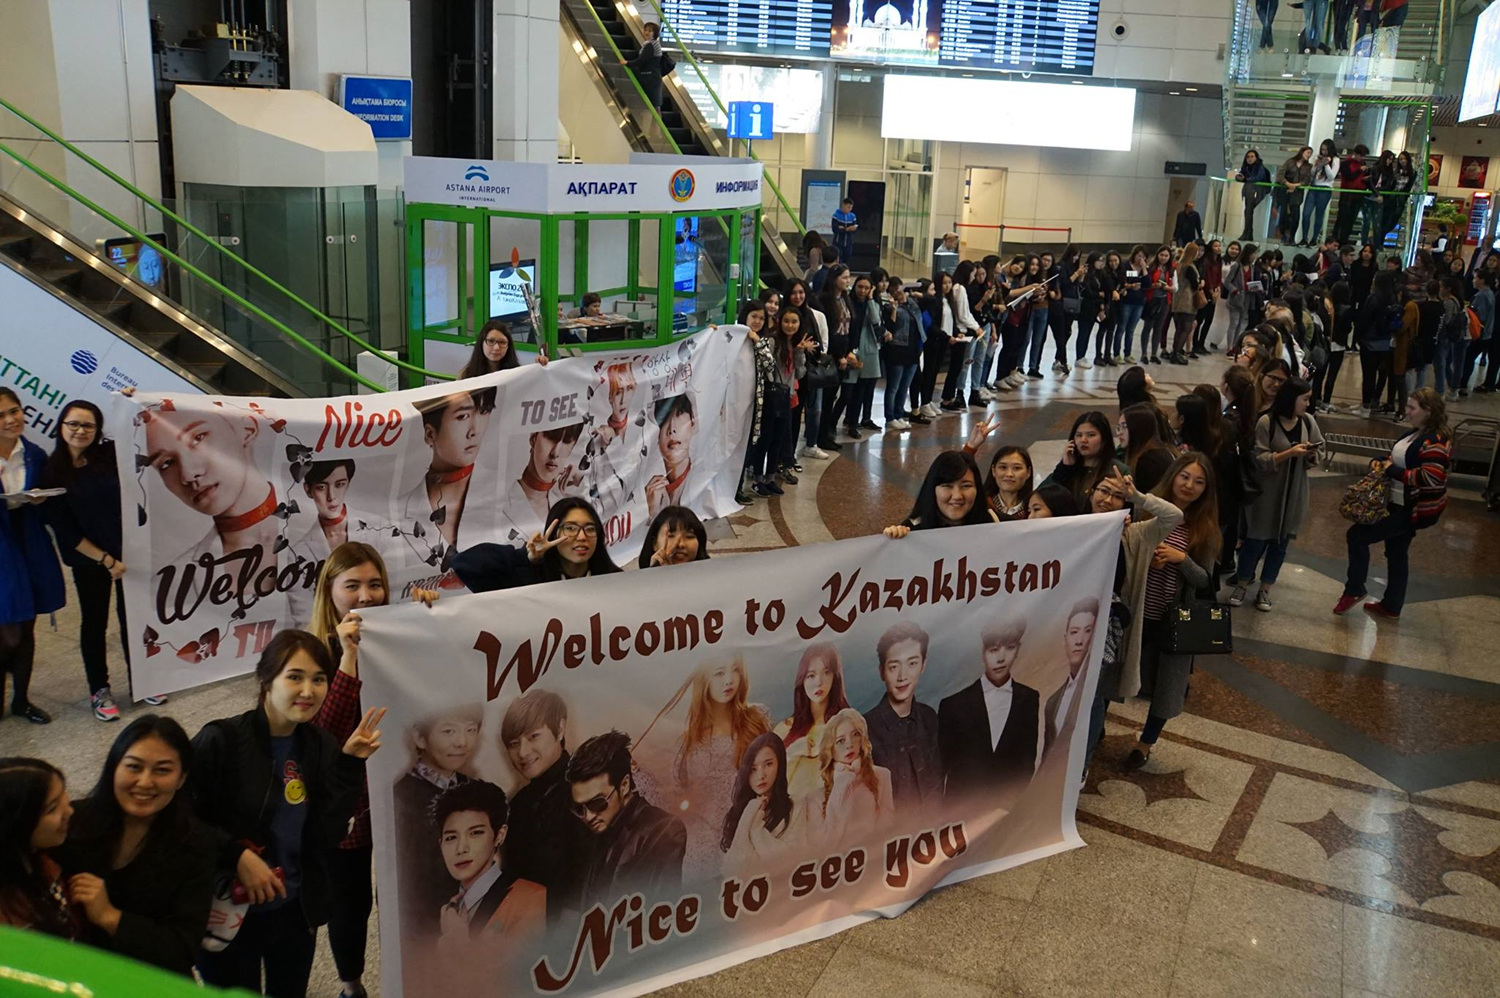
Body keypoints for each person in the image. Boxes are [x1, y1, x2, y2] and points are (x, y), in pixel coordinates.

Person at [191, 630, 384, 998]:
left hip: (294, 911)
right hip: (229, 912)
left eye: (318, 679)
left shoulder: (320, 746)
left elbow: (326, 835)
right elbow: (180, 819)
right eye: (294, 677)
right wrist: (237, 854)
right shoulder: (221, 741)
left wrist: (348, 765)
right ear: (266, 680)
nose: (308, 691)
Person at [306, 542, 418, 998]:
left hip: (395, 802)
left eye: (375, 585)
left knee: (400, 899)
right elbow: (322, 739)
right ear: (329, 593)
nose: (366, 596)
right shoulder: (312, 656)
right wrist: (348, 660)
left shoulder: (399, 640)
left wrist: (430, 618)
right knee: (348, 905)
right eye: (352, 585)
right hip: (343, 812)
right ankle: (351, 985)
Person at [57, 716, 215, 976]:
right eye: (133, 767)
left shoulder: (195, 844)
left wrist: (110, 917)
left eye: (162, 770)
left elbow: (182, 950)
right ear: (113, 768)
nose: (144, 782)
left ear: (182, 778)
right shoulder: (72, 821)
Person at [41, 400, 143, 721]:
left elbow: (139, 428)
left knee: (134, 620)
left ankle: (142, 680)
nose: (80, 431)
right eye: (73, 424)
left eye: (88, 426)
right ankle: (99, 690)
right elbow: (65, 531)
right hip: (90, 562)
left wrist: (130, 400)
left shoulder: (106, 455)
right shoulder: (51, 472)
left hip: (128, 555)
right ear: (61, 426)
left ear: (97, 430)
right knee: (95, 624)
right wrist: (106, 560)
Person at [1119, 454, 1220, 767]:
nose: (1189, 486)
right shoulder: (1145, 509)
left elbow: (1205, 579)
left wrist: (1181, 559)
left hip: (1173, 619)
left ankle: (1146, 743)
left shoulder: (1205, 529)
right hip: (1135, 609)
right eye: (1185, 477)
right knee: (1117, 672)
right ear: (1174, 476)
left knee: (1167, 686)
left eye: (1199, 481)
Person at [643, 659, 769, 882]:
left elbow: (776, 777)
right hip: (701, 862)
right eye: (719, 673)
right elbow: (674, 805)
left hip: (750, 853)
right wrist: (638, 775)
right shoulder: (688, 745)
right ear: (705, 680)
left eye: (735, 671)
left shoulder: (757, 719)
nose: (729, 679)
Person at [1335, 388, 1452, 620]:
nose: (1406, 412)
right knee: (1397, 553)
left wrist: (1392, 470)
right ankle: (1392, 605)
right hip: (1398, 503)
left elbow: (1430, 477)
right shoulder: (1416, 434)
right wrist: (1383, 463)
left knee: (1357, 536)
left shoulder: (1436, 441)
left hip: (1409, 509)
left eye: (1412, 408)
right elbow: (1397, 459)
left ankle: (1355, 588)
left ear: (1428, 412)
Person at [1230, 378, 1323, 612]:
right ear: (1291, 399)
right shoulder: (1266, 423)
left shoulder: (1307, 422)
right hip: (1266, 496)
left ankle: (1265, 589)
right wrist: (1288, 453)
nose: (1307, 404)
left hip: (1293, 494)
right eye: (1304, 399)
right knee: (1255, 541)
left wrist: (1311, 455)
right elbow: (1259, 459)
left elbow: (1319, 450)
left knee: (1280, 545)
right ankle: (1242, 584)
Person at [0, 387, 64, 725]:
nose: (12, 419)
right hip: (1, 547)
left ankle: (22, 700)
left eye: (15, 410)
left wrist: (41, 501)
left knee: (26, 625)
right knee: (7, 625)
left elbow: (49, 507)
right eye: (1, 415)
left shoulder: (35, 454)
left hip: (29, 541)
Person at [430, 780, 546, 966]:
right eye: (451, 837)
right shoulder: (448, 907)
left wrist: (460, 946)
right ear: (440, 843)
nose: (461, 849)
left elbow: (523, 978)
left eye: (475, 833)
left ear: (499, 835)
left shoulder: (530, 898)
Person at [393, 704, 483, 935]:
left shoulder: (475, 790)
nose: (462, 742)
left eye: (471, 730)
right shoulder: (403, 797)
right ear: (419, 737)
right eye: (449, 731)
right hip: (425, 927)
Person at [567, 730, 686, 904]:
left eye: (597, 803)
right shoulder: (591, 833)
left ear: (624, 785)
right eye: (579, 808)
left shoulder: (663, 830)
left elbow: (659, 913)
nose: (588, 816)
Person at [498, 690, 587, 922]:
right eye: (513, 743)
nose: (522, 753)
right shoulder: (518, 804)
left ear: (559, 729)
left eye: (533, 737)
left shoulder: (588, 791)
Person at [938, 617, 1041, 806]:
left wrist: (1008, 803)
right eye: (994, 650)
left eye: (1009, 648)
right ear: (983, 652)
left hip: (1005, 809)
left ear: (1018, 649)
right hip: (958, 810)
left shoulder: (1029, 699)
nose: (1001, 658)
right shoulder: (953, 704)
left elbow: (1027, 761)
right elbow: (941, 767)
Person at [453, 496, 621, 592]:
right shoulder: (530, 577)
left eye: (590, 529)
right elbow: (465, 565)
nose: (582, 536)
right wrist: (525, 558)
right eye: (571, 528)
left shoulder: (616, 581)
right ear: (553, 533)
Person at [405, 386, 497, 558]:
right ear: (430, 434)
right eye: (462, 416)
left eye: (484, 411)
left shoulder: (505, 491)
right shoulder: (401, 510)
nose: (474, 431)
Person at [861, 622, 942, 811]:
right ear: (882, 672)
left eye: (912, 663)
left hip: (932, 832)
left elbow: (937, 785)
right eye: (893, 667)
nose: (902, 676)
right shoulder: (864, 728)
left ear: (923, 664)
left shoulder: (930, 718)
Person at [0, 757, 75, 935]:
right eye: (52, 808)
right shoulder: (10, 918)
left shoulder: (43, 860)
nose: (70, 811)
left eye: (64, 795)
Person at [805, 709, 894, 848]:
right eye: (840, 741)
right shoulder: (814, 799)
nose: (849, 744)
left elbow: (888, 828)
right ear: (831, 750)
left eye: (855, 735)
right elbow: (823, 848)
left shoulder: (882, 776)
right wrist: (842, 783)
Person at [773, 644, 851, 800]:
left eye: (826, 672)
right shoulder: (784, 729)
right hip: (792, 819)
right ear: (802, 680)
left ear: (835, 677)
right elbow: (768, 785)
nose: (819, 682)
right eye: (811, 675)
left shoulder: (848, 727)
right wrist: (793, 751)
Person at [720, 732, 806, 873]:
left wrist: (756, 830)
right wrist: (750, 813)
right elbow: (731, 871)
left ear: (780, 764)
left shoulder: (796, 806)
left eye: (768, 764)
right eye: (753, 769)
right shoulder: (740, 812)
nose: (761, 775)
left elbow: (790, 861)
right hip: (745, 892)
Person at [882, 450, 997, 537]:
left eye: (966, 486)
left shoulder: (994, 522)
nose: (957, 496)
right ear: (933, 489)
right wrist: (891, 540)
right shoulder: (912, 530)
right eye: (947, 486)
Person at [1042, 599, 1099, 755]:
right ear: (1064, 638)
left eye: (1087, 631)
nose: (1079, 641)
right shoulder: (1053, 699)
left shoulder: (1092, 695)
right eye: (1074, 632)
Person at [1044, 411, 1129, 509]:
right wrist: (1064, 468)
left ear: (1104, 439)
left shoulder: (1118, 470)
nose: (1083, 440)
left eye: (1091, 435)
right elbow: (1042, 496)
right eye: (1079, 435)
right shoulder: (1068, 466)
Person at [881, 277, 922, 430]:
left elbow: (918, 317)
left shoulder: (911, 304)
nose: (897, 293)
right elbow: (892, 326)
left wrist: (908, 298)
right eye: (893, 291)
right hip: (896, 349)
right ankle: (890, 416)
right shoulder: (888, 307)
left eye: (899, 289)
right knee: (893, 386)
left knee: (904, 386)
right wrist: (894, 308)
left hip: (912, 350)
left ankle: (899, 414)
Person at [1118, 403, 1176, 494]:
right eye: (1119, 427)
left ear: (1138, 428)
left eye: (1124, 427)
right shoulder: (1157, 452)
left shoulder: (1150, 462)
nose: (1119, 433)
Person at [638, 505, 709, 568]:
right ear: (654, 543)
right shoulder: (641, 581)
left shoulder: (712, 576)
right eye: (671, 536)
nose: (681, 544)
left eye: (689, 536)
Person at [1169, 241, 1203, 364]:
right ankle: (1177, 353)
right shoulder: (1190, 267)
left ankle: (1175, 351)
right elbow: (1194, 285)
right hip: (1187, 300)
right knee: (1186, 328)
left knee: (1179, 328)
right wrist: (1200, 284)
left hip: (1177, 299)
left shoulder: (1179, 265)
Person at [1277, 147, 1313, 245]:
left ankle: (1292, 237)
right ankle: (1283, 235)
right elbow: (1280, 175)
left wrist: (1295, 186)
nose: (1309, 155)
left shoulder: (1308, 166)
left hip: (1297, 193)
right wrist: (1287, 183)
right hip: (1285, 191)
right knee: (1283, 214)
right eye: (1308, 152)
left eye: (1310, 153)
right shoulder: (1290, 162)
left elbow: (1306, 180)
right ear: (1302, 152)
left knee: (1296, 216)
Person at [1236, 150, 1272, 241]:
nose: (1250, 159)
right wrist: (1239, 178)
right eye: (1248, 157)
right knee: (1248, 211)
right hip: (1250, 190)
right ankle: (1248, 233)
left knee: (1248, 211)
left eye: (1252, 156)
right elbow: (1241, 175)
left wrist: (1246, 180)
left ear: (1256, 157)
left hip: (1259, 190)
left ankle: (1247, 233)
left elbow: (1259, 178)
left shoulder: (1260, 167)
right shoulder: (1246, 167)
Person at [630, 22, 666, 110]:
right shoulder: (654, 44)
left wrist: (627, 63)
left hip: (650, 79)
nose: (647, 32)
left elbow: (642, 60)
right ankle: (656, 123)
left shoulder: (650, 45)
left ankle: (653, 123)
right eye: (645, 30)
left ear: (655, 33)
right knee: (655, 106)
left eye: (650, 31)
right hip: (653, 77)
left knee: (651, 105)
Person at [831, 197, 858, 264]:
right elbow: (835, 229)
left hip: (848, 242)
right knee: (838, 259)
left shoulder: (852, 216)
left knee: (847, 258)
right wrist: (846, 229)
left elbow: (854, 228)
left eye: (851, 207)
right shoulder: (836, 215)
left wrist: (848, 229)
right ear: (843, 205)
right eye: (848, 207)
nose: (850, 209)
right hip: (838, 242)